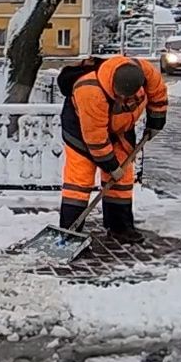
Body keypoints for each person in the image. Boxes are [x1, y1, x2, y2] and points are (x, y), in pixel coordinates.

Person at [58, 53, 169, 243]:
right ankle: (69, 232)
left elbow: (158, 95)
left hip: (119, 130)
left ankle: (120, 228)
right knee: (79, 181)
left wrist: (156, 122)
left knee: (122, 180)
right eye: (121, 97)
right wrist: (111, 166)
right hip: (81, 131)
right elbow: (96, 138)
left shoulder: (146, 72)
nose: (125, 100)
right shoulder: (90, 90)